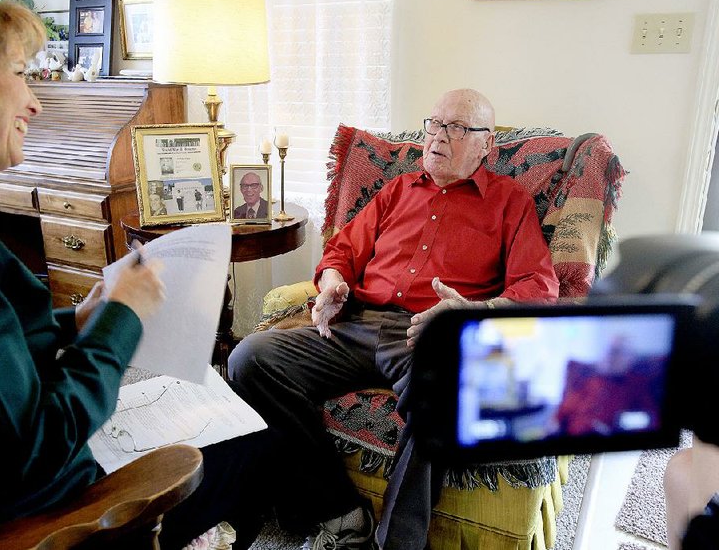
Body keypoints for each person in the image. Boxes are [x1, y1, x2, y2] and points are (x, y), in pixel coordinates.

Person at [0, 0, 278, 548]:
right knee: (255, 446)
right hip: (48, 509)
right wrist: (120, 319)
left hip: (0, 480)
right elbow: (37, 445)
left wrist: (79, 323)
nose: (35, 102)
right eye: (19, 72)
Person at [229, 88, 559, 550]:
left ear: (487, 145)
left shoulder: (509, 202)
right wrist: (331, 284)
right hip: (357, 322)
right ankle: (341, 514)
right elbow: (341, 250)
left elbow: (540, 288)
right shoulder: (397, 190)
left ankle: (397, 543)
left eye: (457, 128)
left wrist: (473, 313)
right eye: (435, 123)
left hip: (431, 334)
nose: (438, 136)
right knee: (251, 358)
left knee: (440, 394)